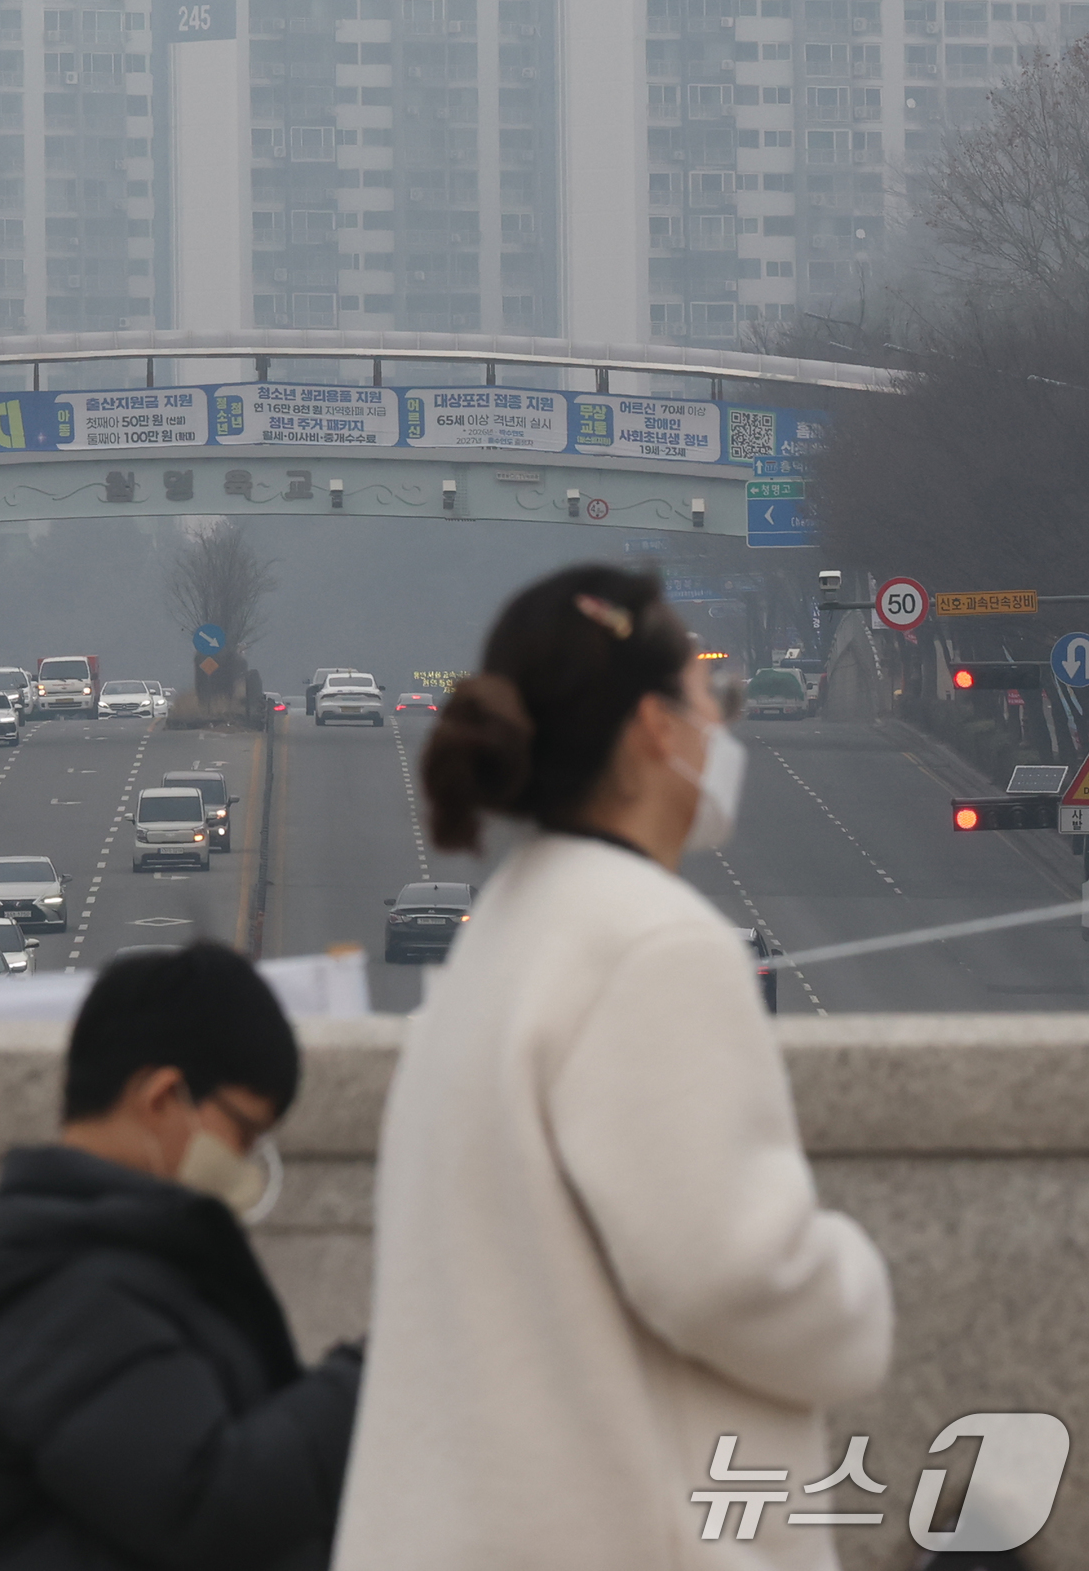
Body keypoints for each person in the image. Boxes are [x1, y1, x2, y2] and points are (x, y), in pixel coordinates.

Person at [333, 565, 893, 1571]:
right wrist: (853, 1279)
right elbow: (735, 1274)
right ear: (651, 727)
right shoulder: (651, 943)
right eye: (710, 699)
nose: (720, 730)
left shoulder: (504, 931)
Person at [0, 943, 361, 1571]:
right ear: (162, 1099)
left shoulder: (112, 1262)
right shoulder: (69, 1298)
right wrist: (362, 1386)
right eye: (243, 1133)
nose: (245, 1163)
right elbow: (201, 1503)